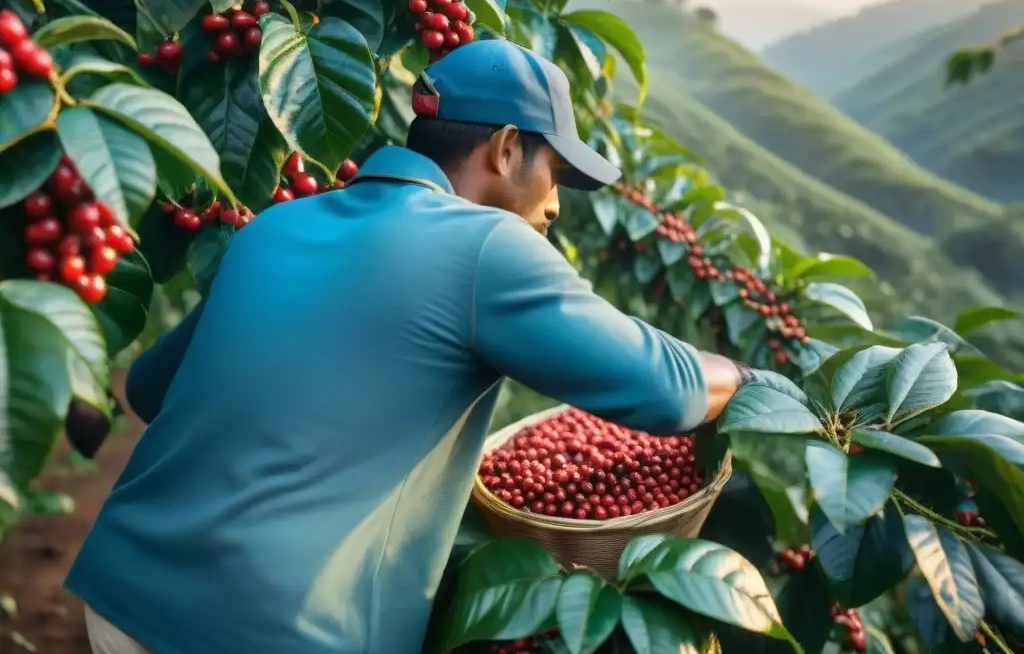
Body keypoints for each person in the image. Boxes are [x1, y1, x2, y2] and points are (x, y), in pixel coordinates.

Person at [65, 39, 751, 654]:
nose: (556, 206)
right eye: (556, 175)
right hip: (274, 629)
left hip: (122, 594)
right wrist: (748, 378)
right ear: (507, 148)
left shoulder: (275, 224)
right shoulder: (488, 244)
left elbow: (152, 390)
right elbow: (667, 390)